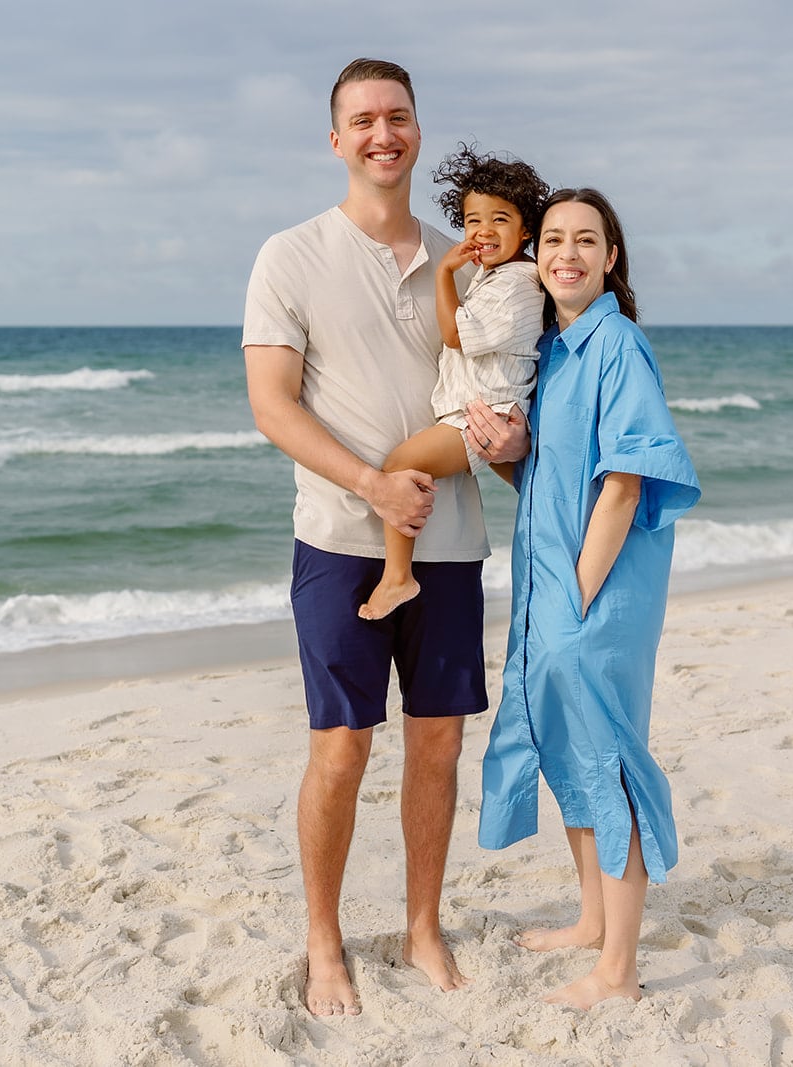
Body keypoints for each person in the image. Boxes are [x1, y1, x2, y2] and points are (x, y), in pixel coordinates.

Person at [241, 58, 529, 1018]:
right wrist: (370, 480)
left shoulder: (470, 259)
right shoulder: (290, 255)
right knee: (341, 746)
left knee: (438, 744)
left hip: (448, 543)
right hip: (336, 535)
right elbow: (270, 404)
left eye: (397, 117)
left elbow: (494, 386)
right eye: (362, 120)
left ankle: (421, 925)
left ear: (417, 130)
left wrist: (510, 442)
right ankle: (324, 939)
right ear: (336, 140)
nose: (382, 134)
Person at [473, 188, 701, 1009]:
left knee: (609, 762)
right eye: (554, 240)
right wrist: (506, 455)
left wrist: (573, 600)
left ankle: (619, 971)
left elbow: (622, 484)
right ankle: (592, 920)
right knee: (569, 752)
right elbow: (548, 481)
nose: (567, 252)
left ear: (611, 258)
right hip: (552, 591)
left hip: (596, 596)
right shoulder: (558, 350)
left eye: (586, 240)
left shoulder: (618, 346)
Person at [357, 145, 550, 621]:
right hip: (481, 411)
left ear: (526, 229)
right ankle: (570, 532)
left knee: (402, 462)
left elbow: (454, 334)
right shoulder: (494, 277)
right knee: (541, 490)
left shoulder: (517, 284)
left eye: (500, 220)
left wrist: (445, 272)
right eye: (472, 221)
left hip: (483, 417)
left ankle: (398, 577)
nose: (483, 232)